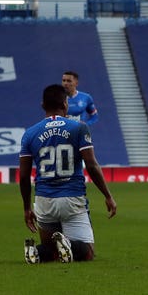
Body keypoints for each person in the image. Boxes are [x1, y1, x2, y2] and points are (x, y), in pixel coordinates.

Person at [19, 84, 117, 264]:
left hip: (43, 200)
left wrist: (27, 208)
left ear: (42, 105)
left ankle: (36, 252)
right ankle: (69, 246)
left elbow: (24, 176)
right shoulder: (78, 128)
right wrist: (108, 195)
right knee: (87, 253)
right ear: (65, 105)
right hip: (72, 198)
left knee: (50, 250)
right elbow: (92, 165)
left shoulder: (29, 133)